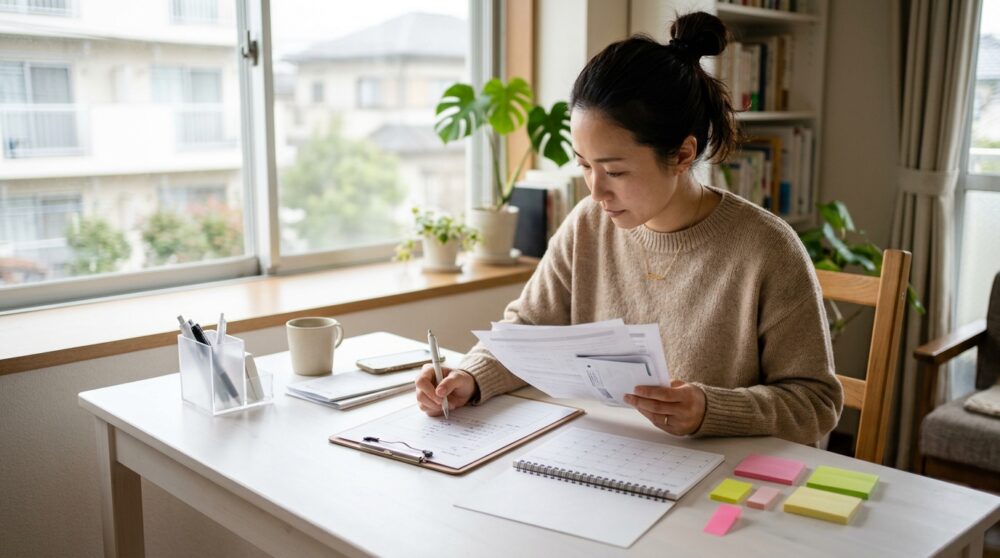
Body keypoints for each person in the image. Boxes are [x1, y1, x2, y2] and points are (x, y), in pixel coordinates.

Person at [415, 12, 843, 445]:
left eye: (615, 172)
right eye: (584, 165)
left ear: (681, 155)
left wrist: (710, 410)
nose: (597, 191)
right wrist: (469, 376)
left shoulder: (767, 249)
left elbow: (815, 403)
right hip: (606, 456)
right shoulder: (587, 225)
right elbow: (526, 330)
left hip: (724, 481)